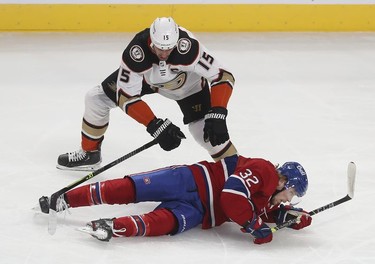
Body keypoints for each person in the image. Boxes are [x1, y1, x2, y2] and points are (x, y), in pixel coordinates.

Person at [57, 17, 237, 170]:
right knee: (96, 98)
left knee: (204, 132)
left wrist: (219, 111)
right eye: (160, 48)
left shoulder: (188, 47)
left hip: (188, 88)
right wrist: (154, 124)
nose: (164, 53)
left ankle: (238, 172)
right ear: (151, 40)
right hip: (148, 80)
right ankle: (90, 154)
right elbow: (125, 96)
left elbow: (222, 75)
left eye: (169, 48)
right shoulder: (137, 52)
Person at [47, 154, 312, 244]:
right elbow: (232, 197)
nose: (288, 199)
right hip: (189, 180)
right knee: (129, 189)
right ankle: (64, 199)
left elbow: (260, 209)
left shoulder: (267, 197)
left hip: (199, 211)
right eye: (291, 194)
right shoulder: (265, 171)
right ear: (284, 182)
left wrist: (291, 218)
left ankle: (109, 227)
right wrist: (255, 225)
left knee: (162, 223)